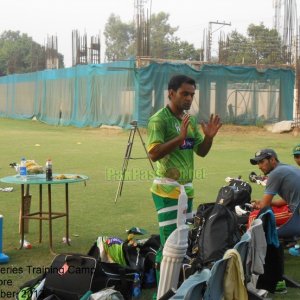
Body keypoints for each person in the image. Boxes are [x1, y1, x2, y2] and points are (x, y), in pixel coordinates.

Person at [147, 74, 222, 288]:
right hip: (166, 191)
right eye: (185, 94)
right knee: (170, 243)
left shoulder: (187, 121)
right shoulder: (159, 120)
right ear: (171, 93)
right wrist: (179, 139)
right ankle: (161, 291)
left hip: (186, 192)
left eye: (192, 95)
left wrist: (208, 137)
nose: (189, 99)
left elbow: (201, 152)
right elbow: (153, 154)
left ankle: (174, 286)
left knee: (181, 242)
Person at [248, 148, 300, 227]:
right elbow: (290, 198)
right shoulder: (289, 168)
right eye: (258, 163)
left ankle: (250, 239)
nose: (259, 167)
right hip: (296, 207)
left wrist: (261, 205)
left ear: (272, 160)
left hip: (296, 214)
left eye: (262, 162)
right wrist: (270, 203)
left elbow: (264, 206)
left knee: (254, 216)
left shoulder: (275, 173)